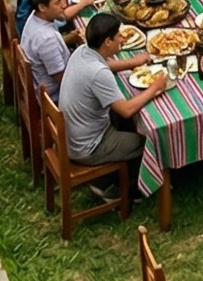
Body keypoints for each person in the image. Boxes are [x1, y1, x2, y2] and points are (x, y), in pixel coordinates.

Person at [59, 13, 169, 170]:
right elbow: (126, 110)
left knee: (129, 122)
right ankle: (115, 185)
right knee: (151, 142)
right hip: (90, 146)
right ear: (108, 41)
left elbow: (107, 65)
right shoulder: (98, 73)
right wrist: (155, 88)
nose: (122, 39)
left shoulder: (83, 50)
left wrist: (133, 62)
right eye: (119, 36)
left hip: (75, 134)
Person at [19, 0, 76, 101]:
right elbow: (63, 80)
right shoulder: (46, 39)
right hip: (54, 97)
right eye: (58, 2)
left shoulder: (35, 17)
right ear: (42, 7)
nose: (64, 5)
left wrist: (71, 38)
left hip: (42, 82)